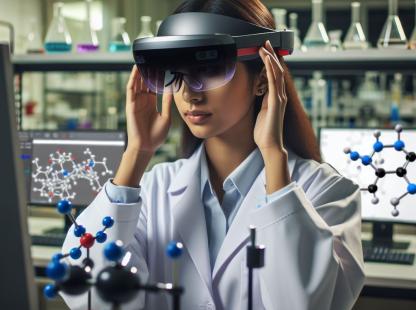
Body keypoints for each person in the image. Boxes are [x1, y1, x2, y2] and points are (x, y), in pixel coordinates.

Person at [61, 0, 365, 309]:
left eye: (208, 70)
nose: (190, 93)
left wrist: (274, 157)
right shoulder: (155, 189)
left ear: (262, 78)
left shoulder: (327, 192)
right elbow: (86, 296)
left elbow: (306, 304)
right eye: (176, 75)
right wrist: (137, 153)